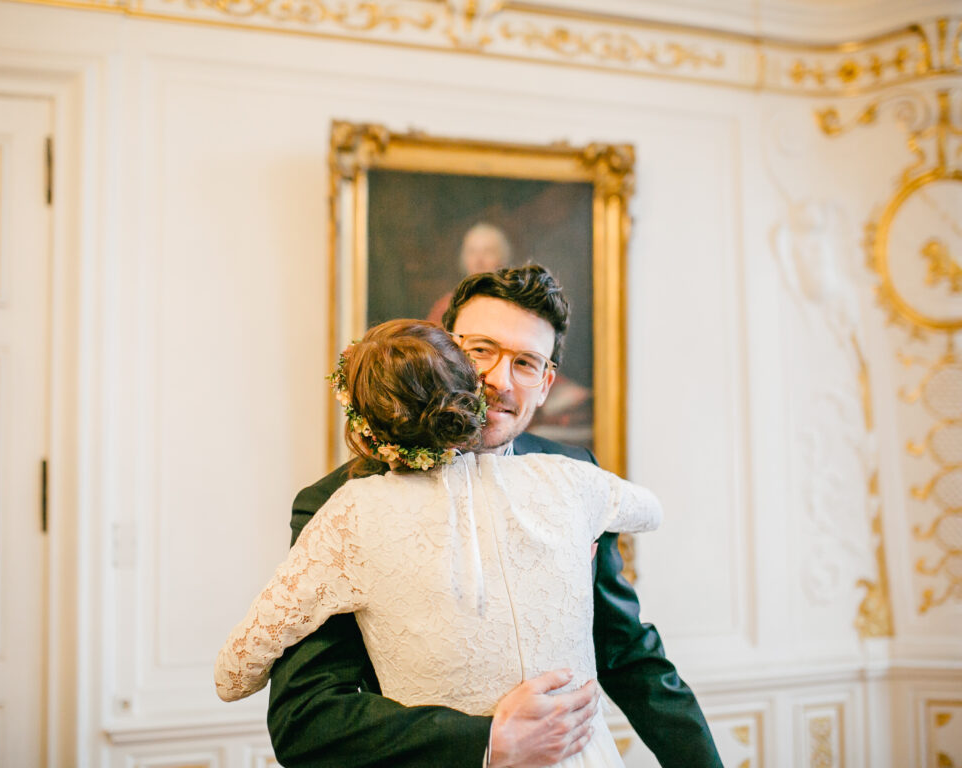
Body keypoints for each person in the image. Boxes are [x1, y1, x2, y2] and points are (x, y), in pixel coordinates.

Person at [267, 266, 723, 768]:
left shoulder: (575, 476)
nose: (499, 381)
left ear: (546, 384)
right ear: (441, 350)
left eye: (526, 363)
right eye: (480, 350)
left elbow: (628, 654)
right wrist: (486, 742)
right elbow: (303, 719)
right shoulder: (340, 502)